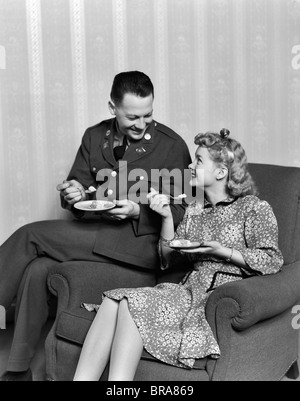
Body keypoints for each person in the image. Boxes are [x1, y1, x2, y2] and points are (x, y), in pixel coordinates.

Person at [0, 71, 191, 381]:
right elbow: (80, 199)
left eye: (148, 115)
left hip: (140, 246)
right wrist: (72, 194)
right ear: (112, 107)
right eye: (132, 117)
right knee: (38, 269)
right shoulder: (93, 136)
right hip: (97, 236)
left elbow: (186, 212)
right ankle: (18, 370)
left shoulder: (172, 146)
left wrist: (135, 211)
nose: (141, 124)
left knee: (30, 235)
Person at [73, 129, 284, 381]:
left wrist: (222, 251)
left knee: (131, 304)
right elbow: (167, 258)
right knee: (112, 301)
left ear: (220, 172)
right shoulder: (194, 208)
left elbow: (272, 260)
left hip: (216, 295)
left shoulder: (254, 208)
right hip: (185, 290)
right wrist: (165, 217)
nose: (190, 165)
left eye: (199, 160)